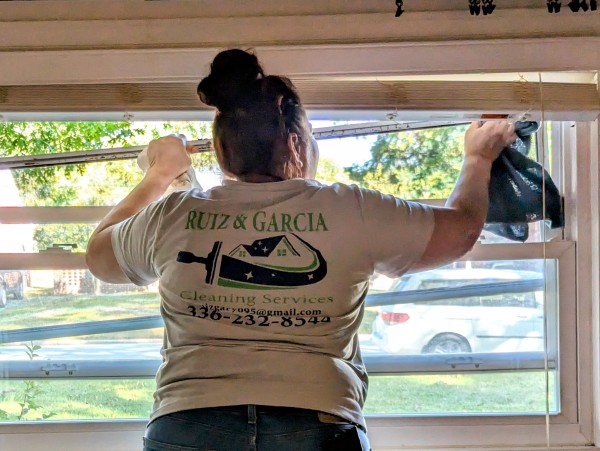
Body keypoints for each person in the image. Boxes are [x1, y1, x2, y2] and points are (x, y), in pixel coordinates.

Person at [86, 49, 516, 451]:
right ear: (295, 143)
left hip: (188, 423)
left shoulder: (174, 213)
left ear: (219, 148)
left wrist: (161, 174)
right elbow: (460, 231)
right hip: (317, 422)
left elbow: (99, 257)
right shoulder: (349, 208)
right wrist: (478, 160)